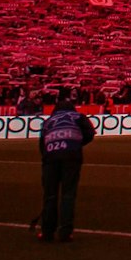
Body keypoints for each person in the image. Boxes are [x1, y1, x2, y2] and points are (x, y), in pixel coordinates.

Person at [37, 92, 96, 242]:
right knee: (68, 195)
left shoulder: (49, 121)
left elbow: (42, 144)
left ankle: (47, 232)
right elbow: (90, 133)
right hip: (71, 156)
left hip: (51, 156)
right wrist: (76, 144)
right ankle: (65, 232)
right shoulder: (78, 117)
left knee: (50, 195)